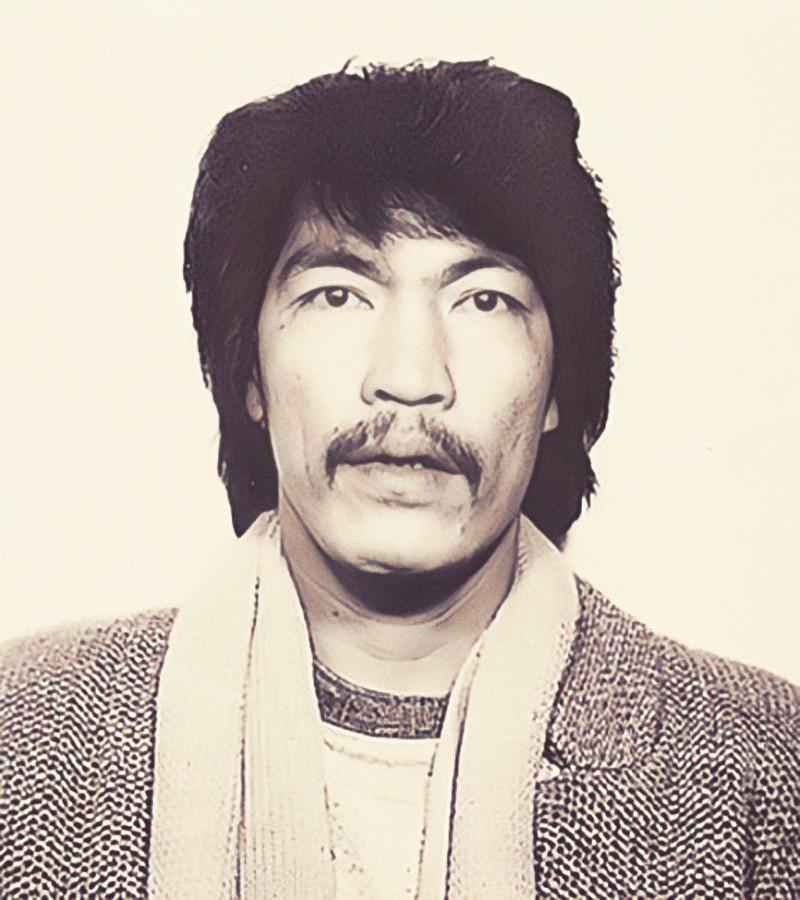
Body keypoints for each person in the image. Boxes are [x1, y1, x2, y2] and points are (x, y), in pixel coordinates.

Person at [1, 60, 798, 899]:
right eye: (337, 295)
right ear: (250, 375)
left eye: (485, 300)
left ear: (558, 386)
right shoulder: (24, 735)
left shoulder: (766, 770)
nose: (410, 377)